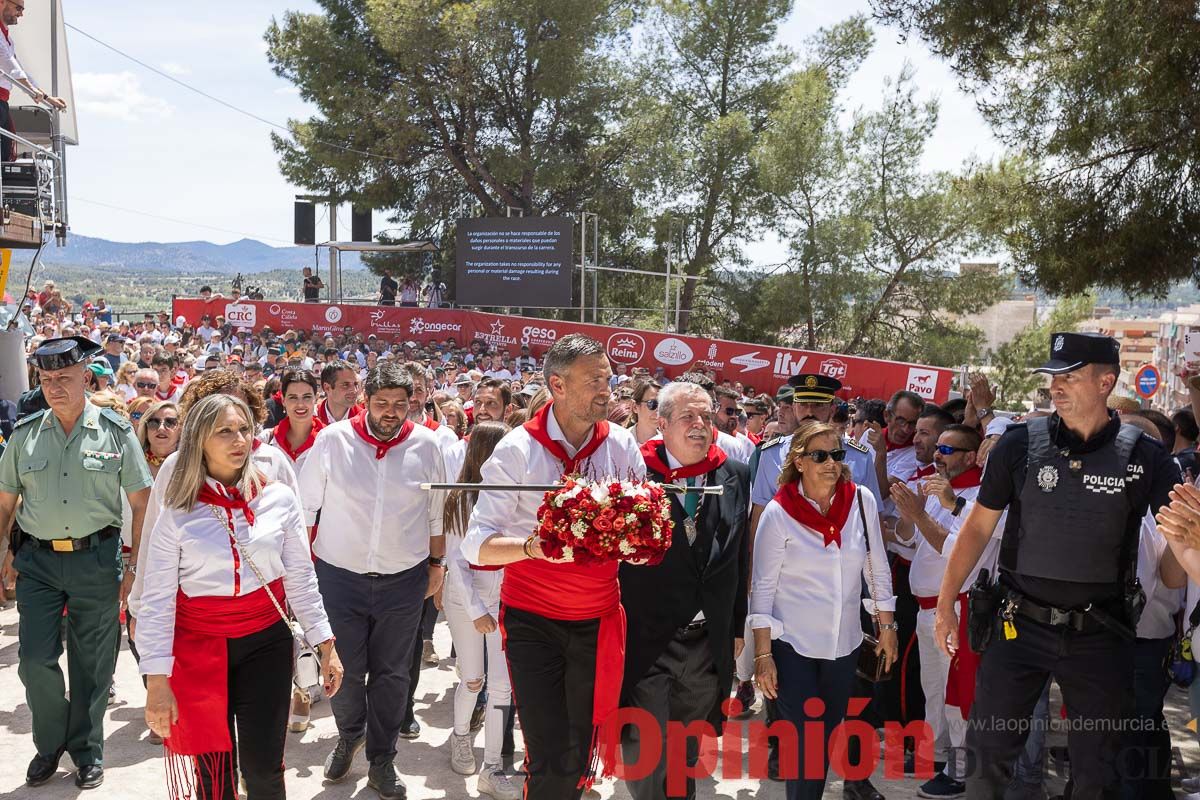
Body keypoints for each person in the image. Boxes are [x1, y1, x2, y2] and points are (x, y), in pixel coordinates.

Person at [933, 332, 1180, 797]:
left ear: (1106, 381)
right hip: (1017, 627)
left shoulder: (1146, 458)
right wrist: (947, 604)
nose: (1056, 387)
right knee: (986, 765)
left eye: (1070, 376)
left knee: (1096, 775)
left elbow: (1177, 550)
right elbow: (977, 530)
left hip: (1101, 635)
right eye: (1052, 377)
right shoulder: (1019, 444)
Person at [462, 334, 645, 799]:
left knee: (578, 750)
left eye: (608, 377)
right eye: (594, 380)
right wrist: (532, 547)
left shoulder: (622, 446)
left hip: (598, 621)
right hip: (533, 622)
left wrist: (640, 540)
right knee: (548, 754)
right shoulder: (517, 449)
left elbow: (640, 530)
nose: (607, 389)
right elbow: (476, 544)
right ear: (558, 385)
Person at [138, 394, 343, 800]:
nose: (239, 440)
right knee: (214, 772)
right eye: (225, 431)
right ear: (199, 439)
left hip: (265, 643)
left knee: (265, 768)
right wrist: (157, 681)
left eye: (245, 429)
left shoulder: (279, 498)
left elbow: (301, 578)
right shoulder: (177, 512)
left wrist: (326, 644)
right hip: (197, 650)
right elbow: (158, 600)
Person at [0, 336, 153, 790]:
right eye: (46, 380)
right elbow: (5, 504)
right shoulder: (25, 436)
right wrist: (3, 558)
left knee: (93, 665)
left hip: (97, 560)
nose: (54, 388)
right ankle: (50, 744)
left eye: (64, 379)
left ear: (85, 378)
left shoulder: (116, 432)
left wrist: (133, 568)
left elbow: (141, 504)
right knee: (34, 660)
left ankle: (87, 750)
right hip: (38, 563)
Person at [298, 361, 447, 800]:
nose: (390, 412)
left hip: (404, 579)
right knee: (341, 669)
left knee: (392, 674)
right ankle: (350, 735)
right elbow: (305, 512)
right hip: (338, 577)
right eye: (381, 403)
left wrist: (437, 566)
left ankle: (383, 758)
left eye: (400, 404)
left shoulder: (427, 446)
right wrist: (303, 577)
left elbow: (436, 514)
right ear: (365, 401)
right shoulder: (331, 441)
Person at [751, 422, 898, 800]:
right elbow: (763, 587)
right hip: (791, 647)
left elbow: (876, 566)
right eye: (820, 455)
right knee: (806, 741)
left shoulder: (861, 500)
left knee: (824, 736)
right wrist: (763, 654)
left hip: (843, 645)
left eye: (837, 454)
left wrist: (887, 625)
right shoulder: (778, 512)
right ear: (799, 462)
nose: (831, 463)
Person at [620, 381, 750, 800]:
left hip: (705, 644)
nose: (700, 425)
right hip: (648, 637)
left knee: (686, 754)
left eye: (707, 417)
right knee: (647, 750)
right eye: (689, 417)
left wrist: (734, 626)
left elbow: (738, 557)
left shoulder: (734, 473)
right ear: (662, 423)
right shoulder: (633, 471)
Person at [890, 423, 993, 798]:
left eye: (948, 450)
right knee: (932, 689)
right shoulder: (934, 488)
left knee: (957, 696)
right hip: (925, 609)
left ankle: (961, 771)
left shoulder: (981, 496)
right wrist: (905, 513)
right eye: (939, 447)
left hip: (957, 610)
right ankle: (936, 756)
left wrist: (919, 515)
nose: (938, 454)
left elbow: (954, 549)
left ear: (969, 456)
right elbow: (910, 541)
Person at [442, 422, 521, 799]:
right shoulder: (460, 497)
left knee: (503, 687)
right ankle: (460, 737)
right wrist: (476, 609)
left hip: (506, 600)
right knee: (473, 679)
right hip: (466, 601)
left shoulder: (516, 495)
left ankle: (494, 765)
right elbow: (456, 563)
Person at [0, 0, 67, 162]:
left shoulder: (7, 39)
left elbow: (20, 70)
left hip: (2, 103)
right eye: (19, 8)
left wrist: (46, 97)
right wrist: (32, 90)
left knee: (5, 155)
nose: (21, 13)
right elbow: (9, 65)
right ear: (2, 2)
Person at [260, 368, 325, 474]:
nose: (300, 404)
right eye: (293, 398)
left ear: (316, 398)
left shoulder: (330, 440)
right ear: (283, 400)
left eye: (307, 397)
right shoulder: (266, 440)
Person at [316, 360, 362, 425]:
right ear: (327, 388)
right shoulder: (310, 417)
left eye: (355, 384)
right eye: (345, 385)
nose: (354, 390)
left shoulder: (365, 421)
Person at [628, 379, 660, 444]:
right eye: (652, 403)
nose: (658, 410)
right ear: (635, 407)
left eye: (662, 404)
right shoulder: (622, 441)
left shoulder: (669, 445)